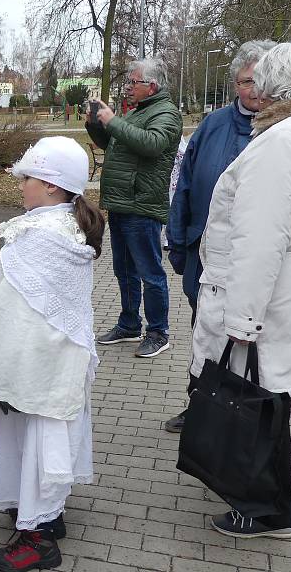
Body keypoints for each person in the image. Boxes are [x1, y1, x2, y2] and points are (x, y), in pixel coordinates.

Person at [188, 39, 291, 538]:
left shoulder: (283, 143)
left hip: (267, 294)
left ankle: (267, 509)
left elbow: (259, 241)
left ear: (273, 85)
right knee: (271, 398)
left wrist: (241, 321)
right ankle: (265, 501)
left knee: (259, 400)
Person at [0, 137, 106, 572]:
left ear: (51, 185)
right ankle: (44, 513)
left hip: (36, 362)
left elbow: (16, 312)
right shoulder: (64, 224)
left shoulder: (40, 235)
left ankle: (40, 539)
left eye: (27, 177)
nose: (21, 184)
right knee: (40, 439)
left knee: (39, 441)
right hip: (53, 361)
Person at [163, 40, 276, 434]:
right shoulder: (212, 126)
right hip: (203, 253)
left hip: (257, 260)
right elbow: (186, 187)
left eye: (262, 80)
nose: (255, 89)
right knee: (204, 333)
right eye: (247, 81)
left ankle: (246, 420)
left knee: (251, 340)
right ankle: (200, 407)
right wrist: (178, 243)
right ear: (234, 85)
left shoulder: (284, 131)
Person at [87, 57, 183, 357]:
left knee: (150, 273)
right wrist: (97, 124)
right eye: (128, 82)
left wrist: (113, 121)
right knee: (124, 270)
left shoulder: (167, 113)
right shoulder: (137, 112)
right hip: (121, 203)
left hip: (141, 205)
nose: (128, 87)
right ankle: (129, 324)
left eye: (133, 82)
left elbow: (151, 144)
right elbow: (115, 143)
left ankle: (158, 332)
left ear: (151, 86)